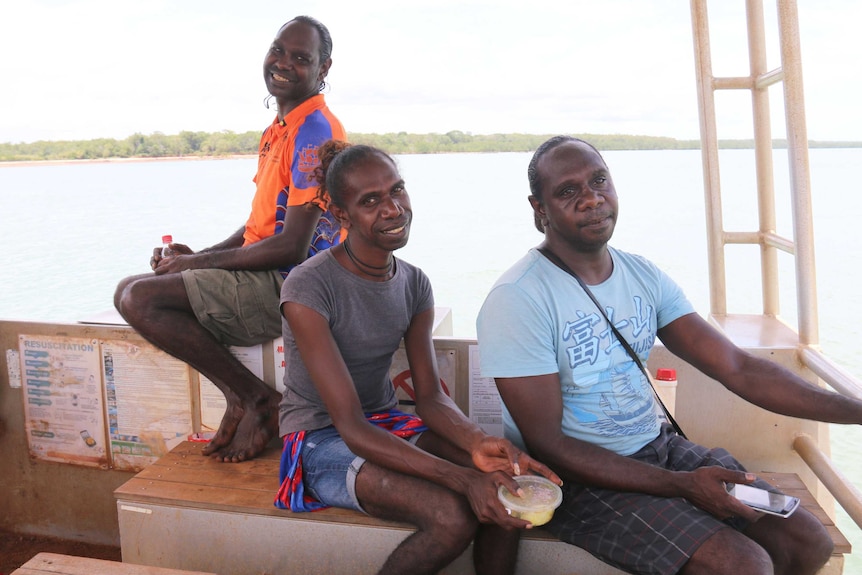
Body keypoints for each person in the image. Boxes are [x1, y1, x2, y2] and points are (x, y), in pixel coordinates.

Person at [476, 135, 862, 575]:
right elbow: (551, 446)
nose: (591, 198)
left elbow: (739, 368)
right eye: (567, 191)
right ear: (539, 209)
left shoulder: (642, 275)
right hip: (576, 479)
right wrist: (682, 487)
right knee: (743, 566)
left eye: (599, 180)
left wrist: (858, 410)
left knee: (806, 542)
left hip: (658, 449)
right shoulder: (519, 298)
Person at [275, 140, 561, 575]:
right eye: (370, 201)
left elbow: (429, 398)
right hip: (319, 439)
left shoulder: (414, 284)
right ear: (341, 216)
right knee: (454, 513)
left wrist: (475, 441)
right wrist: (462, 477)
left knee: (506, 488)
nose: (392, 208)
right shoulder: (308, 286)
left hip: (385, 424)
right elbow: (349, 424)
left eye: (397, 190)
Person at [114, 16, 346, 463]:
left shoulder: (315, 130)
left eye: (301, 58)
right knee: (128, 288)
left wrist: (195, 266)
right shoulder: (279, 127)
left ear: (323, 69)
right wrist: (199, 256)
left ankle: (255, 399)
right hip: (268, 270)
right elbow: (259, 225)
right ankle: (246, 399)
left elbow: (291, 246)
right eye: (278, 50)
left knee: (140, 299)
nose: (283, 63)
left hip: (293, 284)